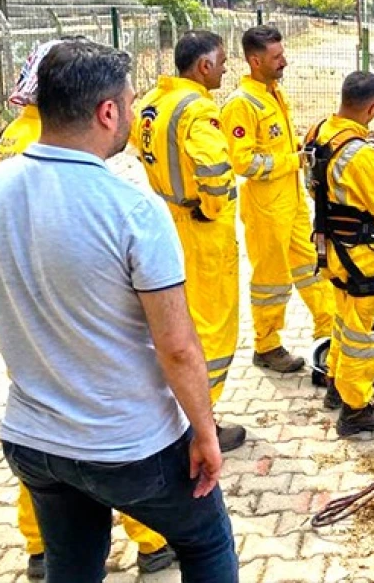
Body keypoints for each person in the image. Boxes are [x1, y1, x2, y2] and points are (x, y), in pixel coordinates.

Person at [0, 40, 237, 583]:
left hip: (34, 444)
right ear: (107, 112)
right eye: (130, 104)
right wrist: (205, 432)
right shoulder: (133, 211)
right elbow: (177, 347)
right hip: (130, 446)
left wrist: (4, 330)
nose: (132, 115)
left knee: (73, 565)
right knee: (206, 542)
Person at [132, 30, 246, 452]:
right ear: (203, 66)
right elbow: (216, 170)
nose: (224, 69)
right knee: (212, 328)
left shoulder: (151, 103)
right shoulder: (198, 110)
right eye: (220, 62)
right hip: (201, 230)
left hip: (166, 219)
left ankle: (180, 411)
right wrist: (212, 207)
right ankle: (202, 422)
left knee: (177, 321)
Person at [221, 25, 334, 372]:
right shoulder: (241, 104)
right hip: (266, 207)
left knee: (312, 267)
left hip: (293, 201)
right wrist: (292, 160)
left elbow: (276, 146)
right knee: (272, 280)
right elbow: (243, 162)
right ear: (255, 60)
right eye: (277, 57)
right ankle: (266, 345)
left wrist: (302, 150)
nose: (284, 61)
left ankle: (328, 331)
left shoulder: (273, 93)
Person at [303, 71, 374, 437]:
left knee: (344, 320)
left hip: (330, 251)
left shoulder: (318, 134)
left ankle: (335, 381)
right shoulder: (361, 155)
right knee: (366, 335)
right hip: (361, 259)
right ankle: (356, 409)